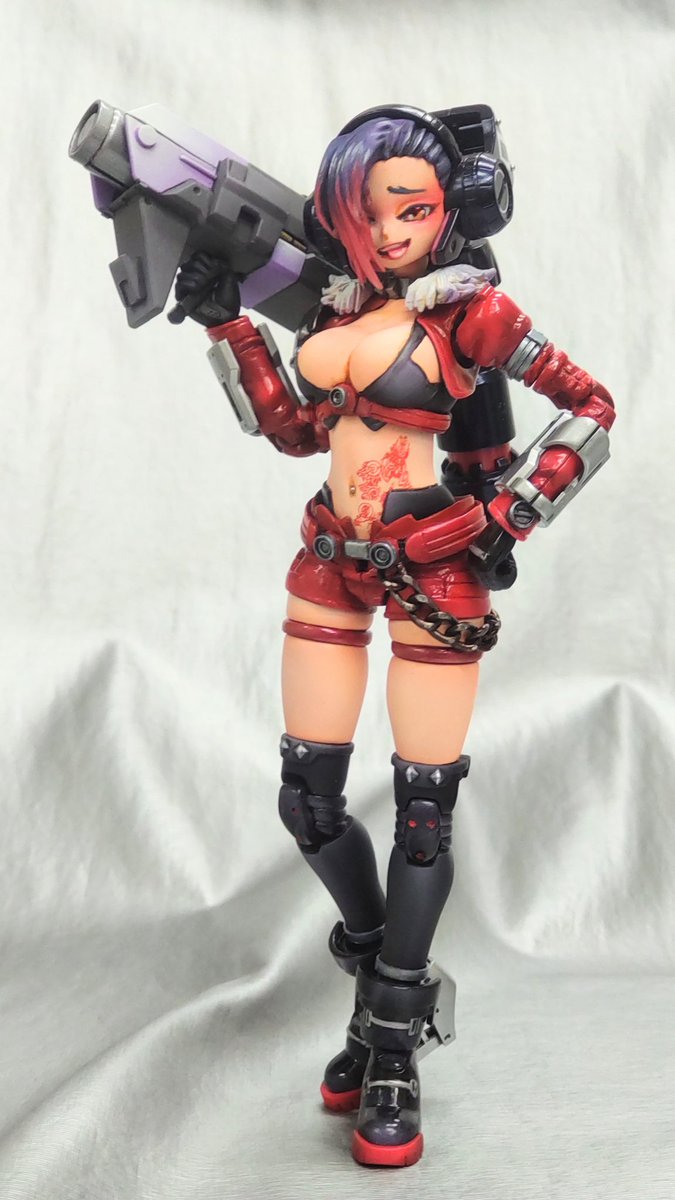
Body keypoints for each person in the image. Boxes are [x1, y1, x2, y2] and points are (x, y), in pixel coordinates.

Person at [175, 105, 615, 1169]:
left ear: (452, 208)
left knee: (421, 819)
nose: (389, 230)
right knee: (308, 802)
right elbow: (296, 431)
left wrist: (506, 514)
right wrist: (229, 326)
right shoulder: (337, 307)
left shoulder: (473, 312)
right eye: (368, 212)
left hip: (433, 570)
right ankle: (384, 977)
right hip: (331, 558)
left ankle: (389, 1044)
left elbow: (592, 406)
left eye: (411, 208)